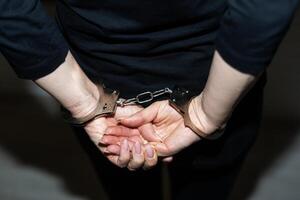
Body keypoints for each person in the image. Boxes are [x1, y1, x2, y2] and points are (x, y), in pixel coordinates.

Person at [0, 0, 299, 199]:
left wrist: (86, 103)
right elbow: (265, 9)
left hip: (92, 77)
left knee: (127, 188)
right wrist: (206, 115)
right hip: (220, 77)